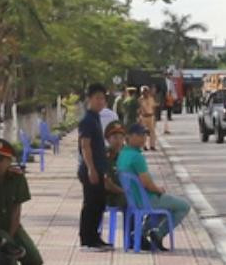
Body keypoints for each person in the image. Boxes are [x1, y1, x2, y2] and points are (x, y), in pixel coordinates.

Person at [116, 123, 191, 251]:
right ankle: (158, 233)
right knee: (184, 206)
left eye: (145, 135)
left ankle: (141, 233)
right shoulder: (136, 157)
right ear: (130, 137)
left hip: (133, 200)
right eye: (140, 135)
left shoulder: (123, 154)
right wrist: (158, 190)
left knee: (167, 206)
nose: (144, 138)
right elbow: (146, 183)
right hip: (146, 200)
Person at [77, 82, 112, 250]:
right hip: (90, 169)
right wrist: (91, 168)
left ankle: (95, 237)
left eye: (103, 99)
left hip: (98, 168)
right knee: (90, 204)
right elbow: (85, 145)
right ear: (89, 99)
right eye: (97, 98)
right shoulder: (87, 120)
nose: (101, 102)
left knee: (99, 204)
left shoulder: (96, 118)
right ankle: (86, 239)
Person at [102, 120, 128, 210]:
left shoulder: (128, 154)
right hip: (112, 196)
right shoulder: (105, 157)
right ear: (108, 139)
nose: (118, 141)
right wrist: (125, 192)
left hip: (127, 193)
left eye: (121, 138)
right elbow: (107, 184)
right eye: (115, 137)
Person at [138, 86, 158, 151]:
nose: (144, 93)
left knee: (152, 132)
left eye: (146, 91)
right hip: (143, 117)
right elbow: (138, 109)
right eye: (143, 92)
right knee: (143, 132)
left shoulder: (151, 98)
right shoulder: (140, 100)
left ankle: (152, 146)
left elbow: (154, 107)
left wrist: (154, 116)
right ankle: (144, 146)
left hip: (150, 117)